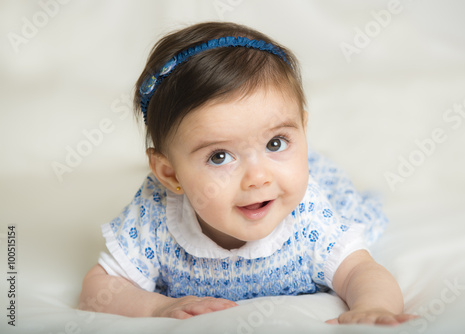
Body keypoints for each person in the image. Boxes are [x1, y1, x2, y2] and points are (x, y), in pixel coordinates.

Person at [79, 21, 416, 325]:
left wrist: (374, 306)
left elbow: (359, 270)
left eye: (276, 143)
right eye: (220, 156)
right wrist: (155, 308)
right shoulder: (154, 218)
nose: (257, 177)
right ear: (170, 175)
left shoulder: (309, 216)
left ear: (303, 129)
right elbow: (99, 288)